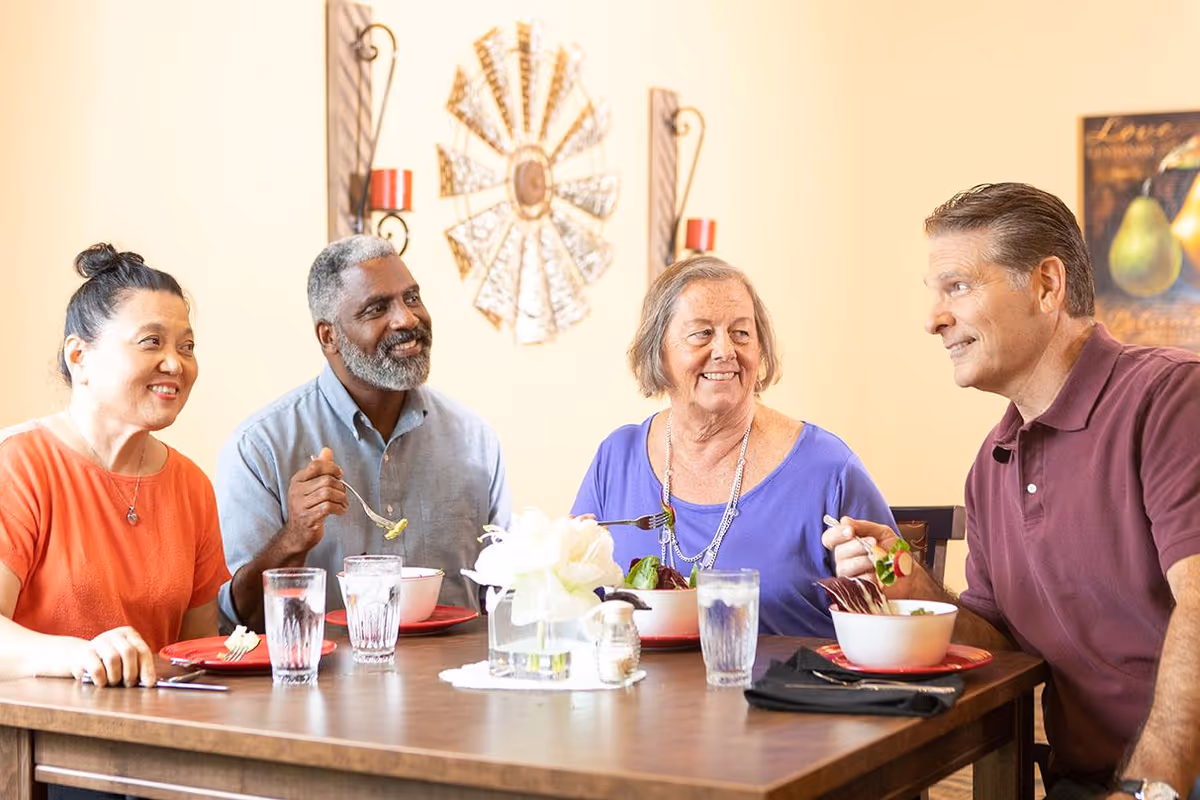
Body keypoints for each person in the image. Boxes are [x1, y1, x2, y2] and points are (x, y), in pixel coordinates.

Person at [823, 183, 1200, 800]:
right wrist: (916, 586)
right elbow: (1002, 652)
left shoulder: (1170, 399)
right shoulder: (991, 465)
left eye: (958, 286)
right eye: (933, 294)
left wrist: (1151, 791)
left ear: (1047, 287)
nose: (932, 319)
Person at [572, 255, 896, 637]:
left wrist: (871, 578)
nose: (725, 351)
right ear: (657, 350)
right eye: (702, 333)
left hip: (784, 691)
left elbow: (894, 609)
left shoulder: (828, 468)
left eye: (741, 333)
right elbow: (577, 601)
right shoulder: (617, 457)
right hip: (641, 690)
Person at [216, 235, 511, 632]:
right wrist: (294, 537)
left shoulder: (475, 440)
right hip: (320, 689)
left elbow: (504, 596)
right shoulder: (260, 448)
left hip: (458, 685)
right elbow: (243, 621)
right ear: (328, 336)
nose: (407, 319)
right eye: (377, 308)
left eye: (412, 298)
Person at [0, 244, 229, 683]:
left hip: (155, 732)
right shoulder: (21, 464)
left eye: (187, 346)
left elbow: (195, 654)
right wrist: (82, 655)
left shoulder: (191, 485)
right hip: (36, 741)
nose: (175, 363)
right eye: (151, 342)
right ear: (79, 357)